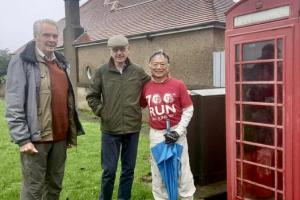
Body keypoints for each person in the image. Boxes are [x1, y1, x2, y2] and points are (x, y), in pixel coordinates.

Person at [5, 19, 85, 200]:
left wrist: (69, 133)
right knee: (34, 190)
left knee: (55, 187)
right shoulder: (23, 60)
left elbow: (67, 100)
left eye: (55, 35)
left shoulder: (61, 63)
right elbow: (14, 104)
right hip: (36, 140)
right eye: (46, 35)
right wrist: (23, 139)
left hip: (59, 139)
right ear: (35, 37)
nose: (52, 39)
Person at [86, 35, 150, 200]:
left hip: (132, 128)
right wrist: (103, 112)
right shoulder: (102, 71)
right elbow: (92, 96)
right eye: (116, 50)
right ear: (110, 51)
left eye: (123, 49)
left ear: (129, 49)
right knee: (109, 171)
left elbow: (152, 87)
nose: (119, 53)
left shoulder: (138, 71)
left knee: (128, 170)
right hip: (110, 129)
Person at [140, 51, 196, 200]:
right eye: (155, 64)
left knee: (182, 171)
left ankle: (186, 197)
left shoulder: (178, 85)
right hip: (157, 135)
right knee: (159, 172)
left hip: (177, 134)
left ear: (168, 66)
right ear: (149, 66)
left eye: (162, 64)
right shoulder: (145, 87)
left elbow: (188, 109)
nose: (159, 67)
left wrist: (178, 131)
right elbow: (140, 104)